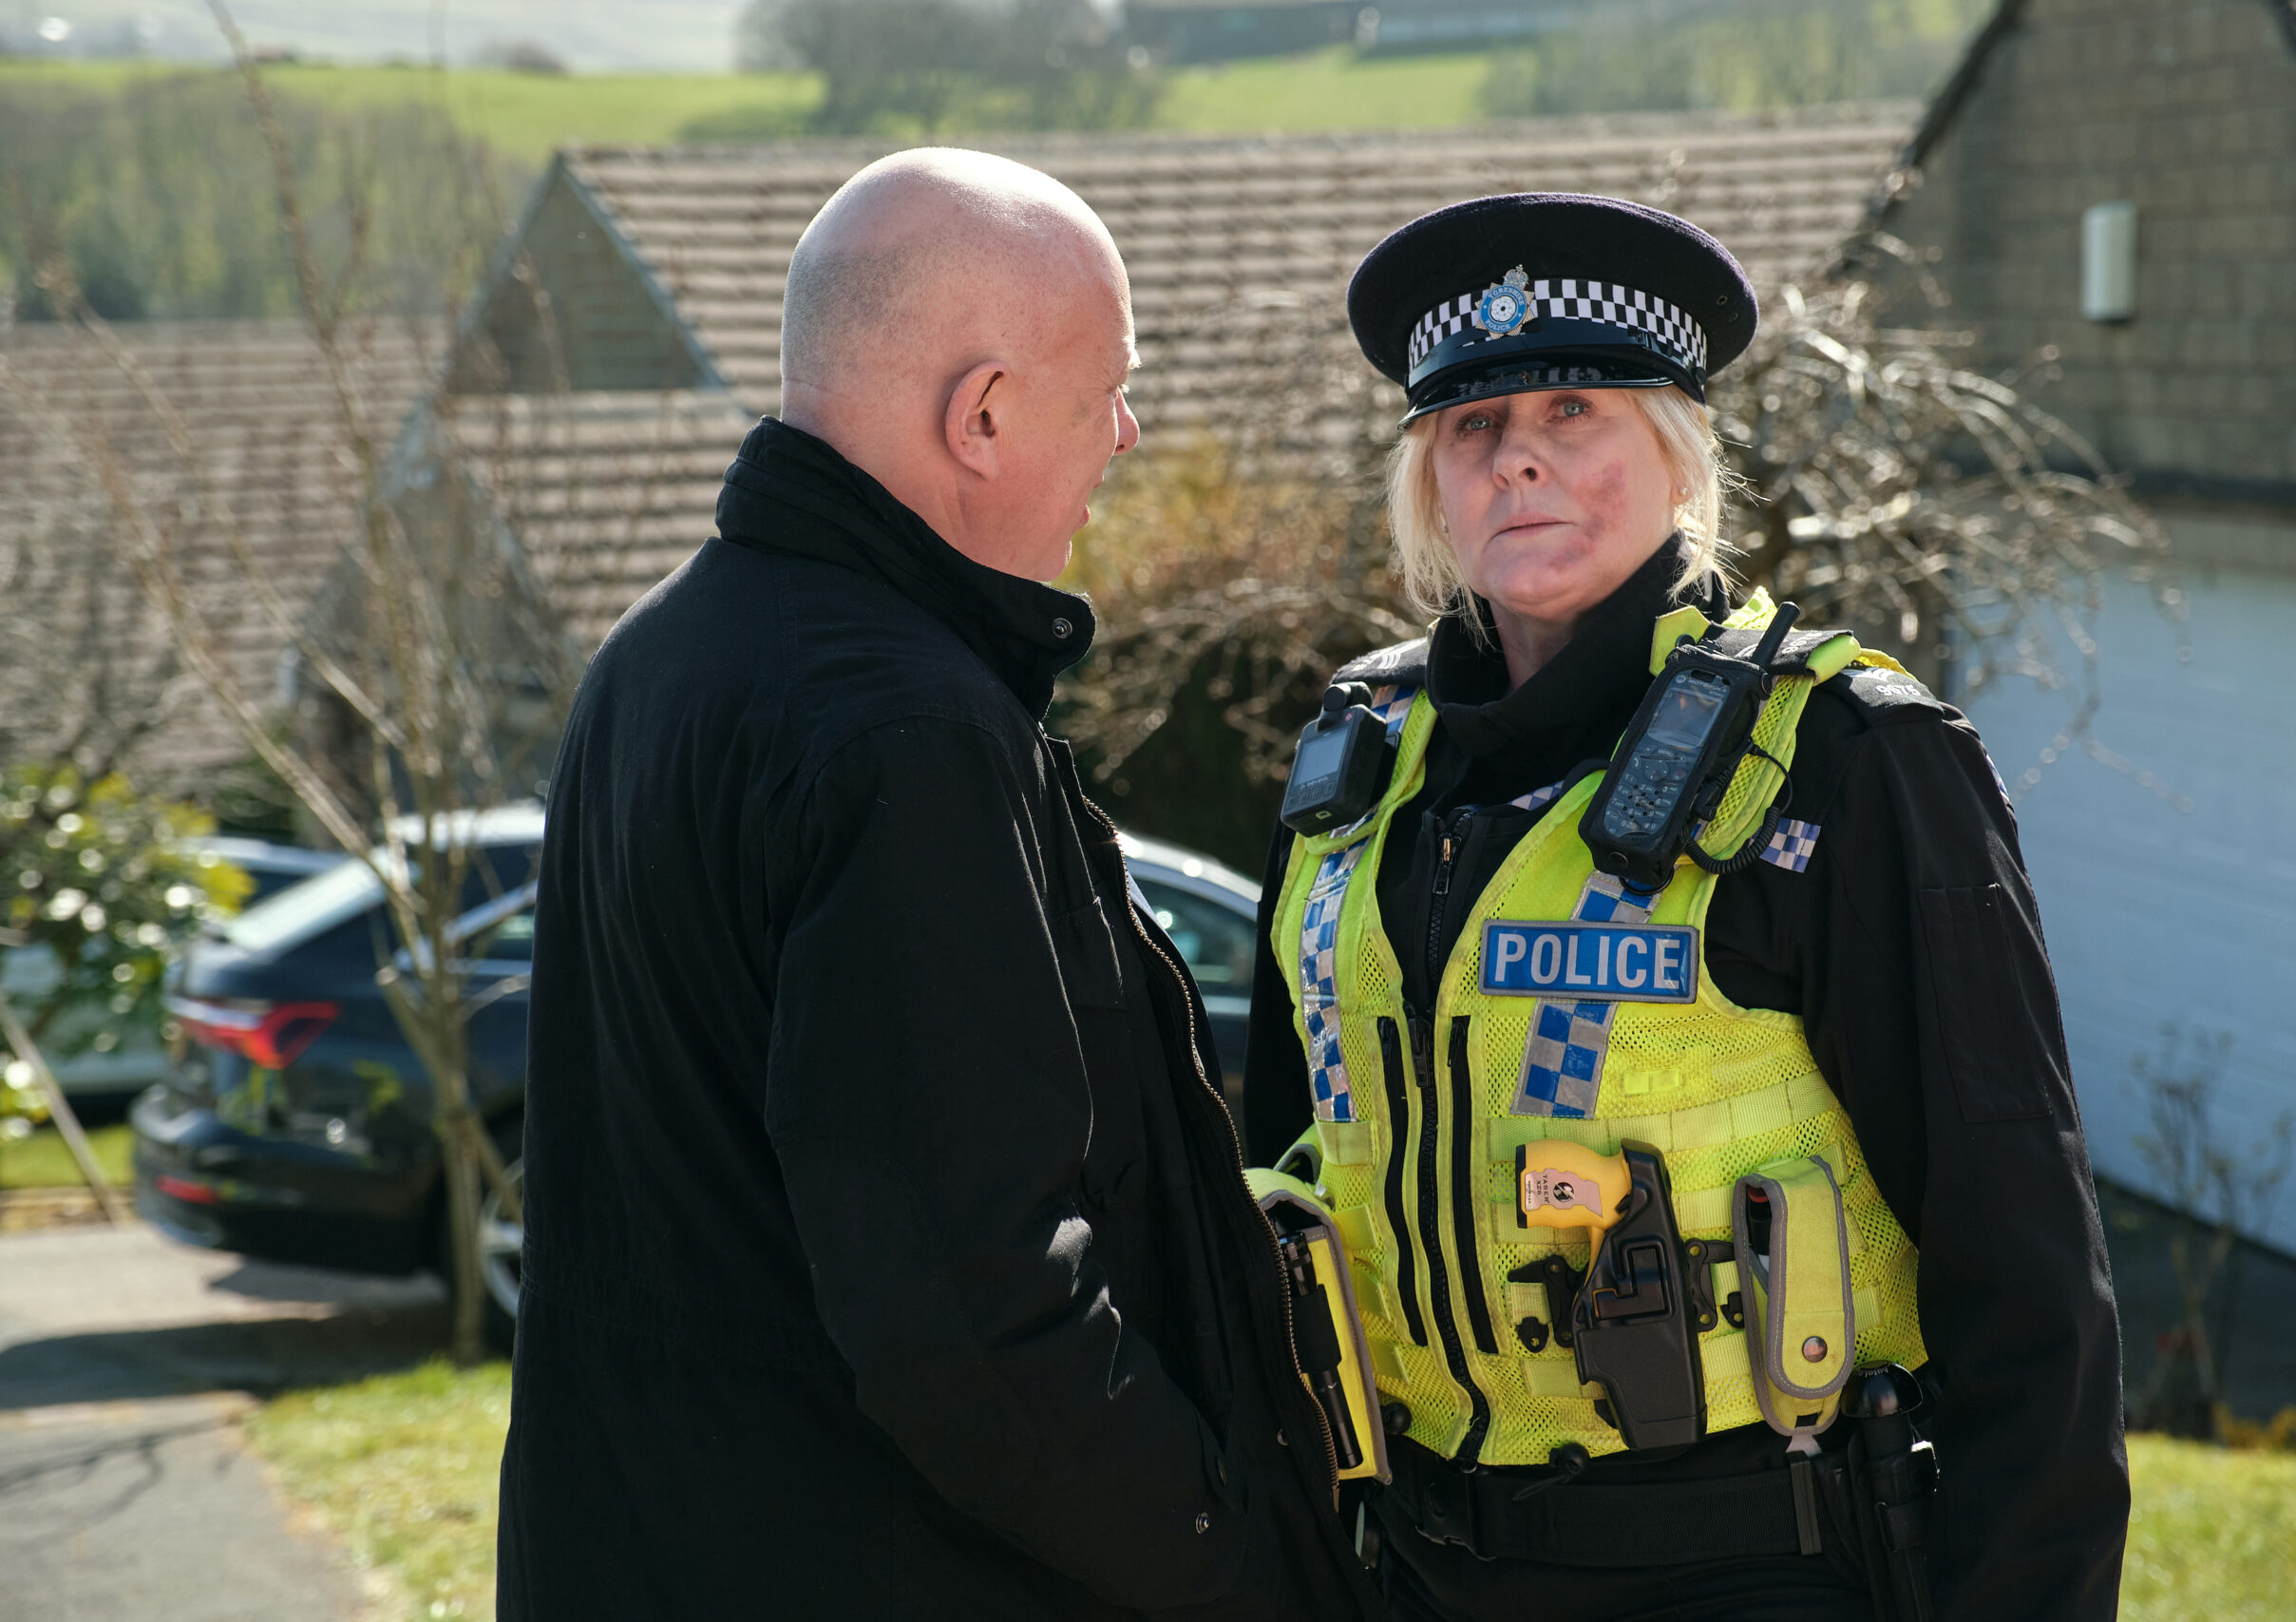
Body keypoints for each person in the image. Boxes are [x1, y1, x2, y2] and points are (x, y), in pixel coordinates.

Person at [498, 149, 1380, 1621]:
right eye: (1108, 388)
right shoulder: (908, 735)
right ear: (981, 415)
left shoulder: (656, 659)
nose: (1128, 432)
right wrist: (1241, 1563)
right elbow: (975, 1314)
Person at [1242, 194, 2131, 1620]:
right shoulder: (1360, 761)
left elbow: (2030, 1285)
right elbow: (1295, 1159)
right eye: (1472, 426)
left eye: (1574, 406)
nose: (1518, 450)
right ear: (1431, 481)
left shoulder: (1850, 759)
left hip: (1751, 1566)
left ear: (1676, 452)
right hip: (1407, 1567)